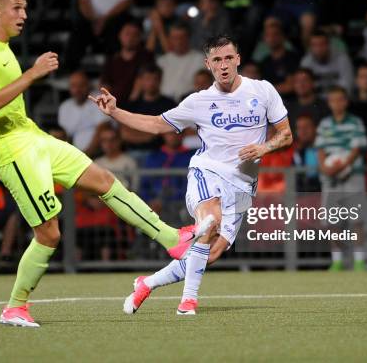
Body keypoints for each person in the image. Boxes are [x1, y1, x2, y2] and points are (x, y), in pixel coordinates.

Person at [0, 0, 212, 328]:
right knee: (50, 234)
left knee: (103, 180)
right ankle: (15, 307)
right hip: (10, 150)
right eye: (17, 8)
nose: (24, 15)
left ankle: (171, 239)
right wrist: (34, 73)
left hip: (32, 136)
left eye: (25, 8)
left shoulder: (0, 48)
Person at [90, 34, 293, 315]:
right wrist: (115, 113)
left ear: (239, 60)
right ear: (207, 63)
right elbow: (156, 124)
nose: (224, 65)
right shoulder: (199, 101)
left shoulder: (263, 91)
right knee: (210, 221)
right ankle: (188, 302)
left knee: (212, 253)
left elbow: (285, 135)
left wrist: (264, 146)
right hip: (207, 172)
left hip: (243, 184)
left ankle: (147, 283)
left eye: (229, 58)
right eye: (217, 60)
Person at [315, 86, 367, 271]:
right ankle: (337, 260)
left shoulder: (355, 122)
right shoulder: (324, 124)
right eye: (333, 100)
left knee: (357, 220)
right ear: (329, 103)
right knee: (332, 221)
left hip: (353, 176)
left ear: (346, 101)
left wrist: (343, 165)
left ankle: (359, 261)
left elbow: (357, 148)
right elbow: (320, 149)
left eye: (340, 99)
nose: (337, 103)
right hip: (331, 179)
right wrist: (324, 167)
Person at [100, 20, 154, 107]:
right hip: (113, 105)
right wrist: (108, 102)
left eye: (135, 35)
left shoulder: (145, 57)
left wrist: (130, 104)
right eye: (127, 34)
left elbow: (142, 81)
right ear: (120, 35)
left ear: (140, 38)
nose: (130, 38)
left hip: (137, 106)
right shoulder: (112, 59)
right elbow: (105, 83)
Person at [58, 70, 108, 156]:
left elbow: (103, 129)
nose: (78, 89)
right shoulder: (65, 107)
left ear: (88, 85)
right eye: (74, 86)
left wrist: (86, 156)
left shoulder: (98, 99)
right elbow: (66, 135)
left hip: (98, 153)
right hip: (76, 154)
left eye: (81, 85)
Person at [156, 22, 205, 101]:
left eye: (182, 37)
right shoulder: (161, 61)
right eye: (175, 38)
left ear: (189, 38)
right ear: (169, 39)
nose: (179, 41)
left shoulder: (201, 59)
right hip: (164, 105)